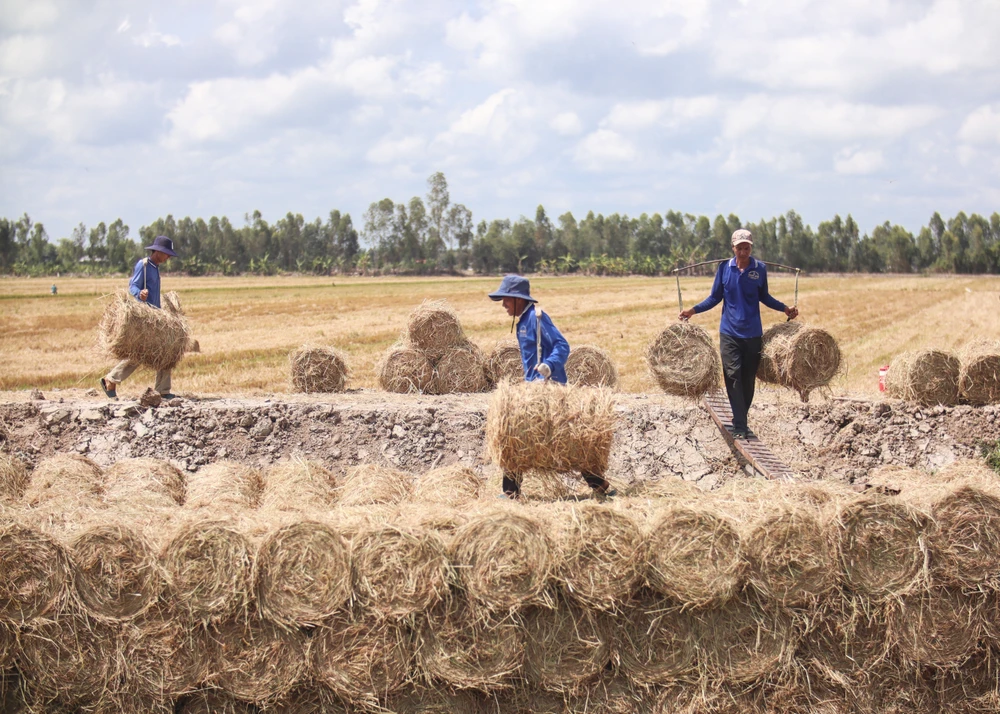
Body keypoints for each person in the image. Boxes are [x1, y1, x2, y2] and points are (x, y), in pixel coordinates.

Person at [488, 274, 616, 499]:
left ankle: (600, 486)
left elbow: (562, 345)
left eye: (506, 299)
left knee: (565, 438)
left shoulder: (537, 318)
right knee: (520, 434)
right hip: (533, 390)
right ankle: (510, 491)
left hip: (550, 389)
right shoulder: (523, 322)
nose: (504, 305)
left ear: (518, 299)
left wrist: (549, 365)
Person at [679, 229, 798, 439]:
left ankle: (740, 418)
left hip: (753, 334)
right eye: (739, 248)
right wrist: (693, 310)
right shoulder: (725, 268)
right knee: (733, 376)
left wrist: (784, 308)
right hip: (729, 333)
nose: (743, 252)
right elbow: (714, 297)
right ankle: (741, 425)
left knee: (748, 379)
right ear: (732, 248)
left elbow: (765, 297)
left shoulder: (759, 269)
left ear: (751, 248)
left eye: (747, 248)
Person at [100, 235, 180, 400]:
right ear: (157, 252)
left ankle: (163, 390)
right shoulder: (143, 265)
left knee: (166, 349)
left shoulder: (155, 267)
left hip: (156, 315)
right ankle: (111, 379)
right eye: (166, 253)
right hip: (145, 315)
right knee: (140, 353)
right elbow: (133, 286)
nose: (168, 257)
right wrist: (139, 294)